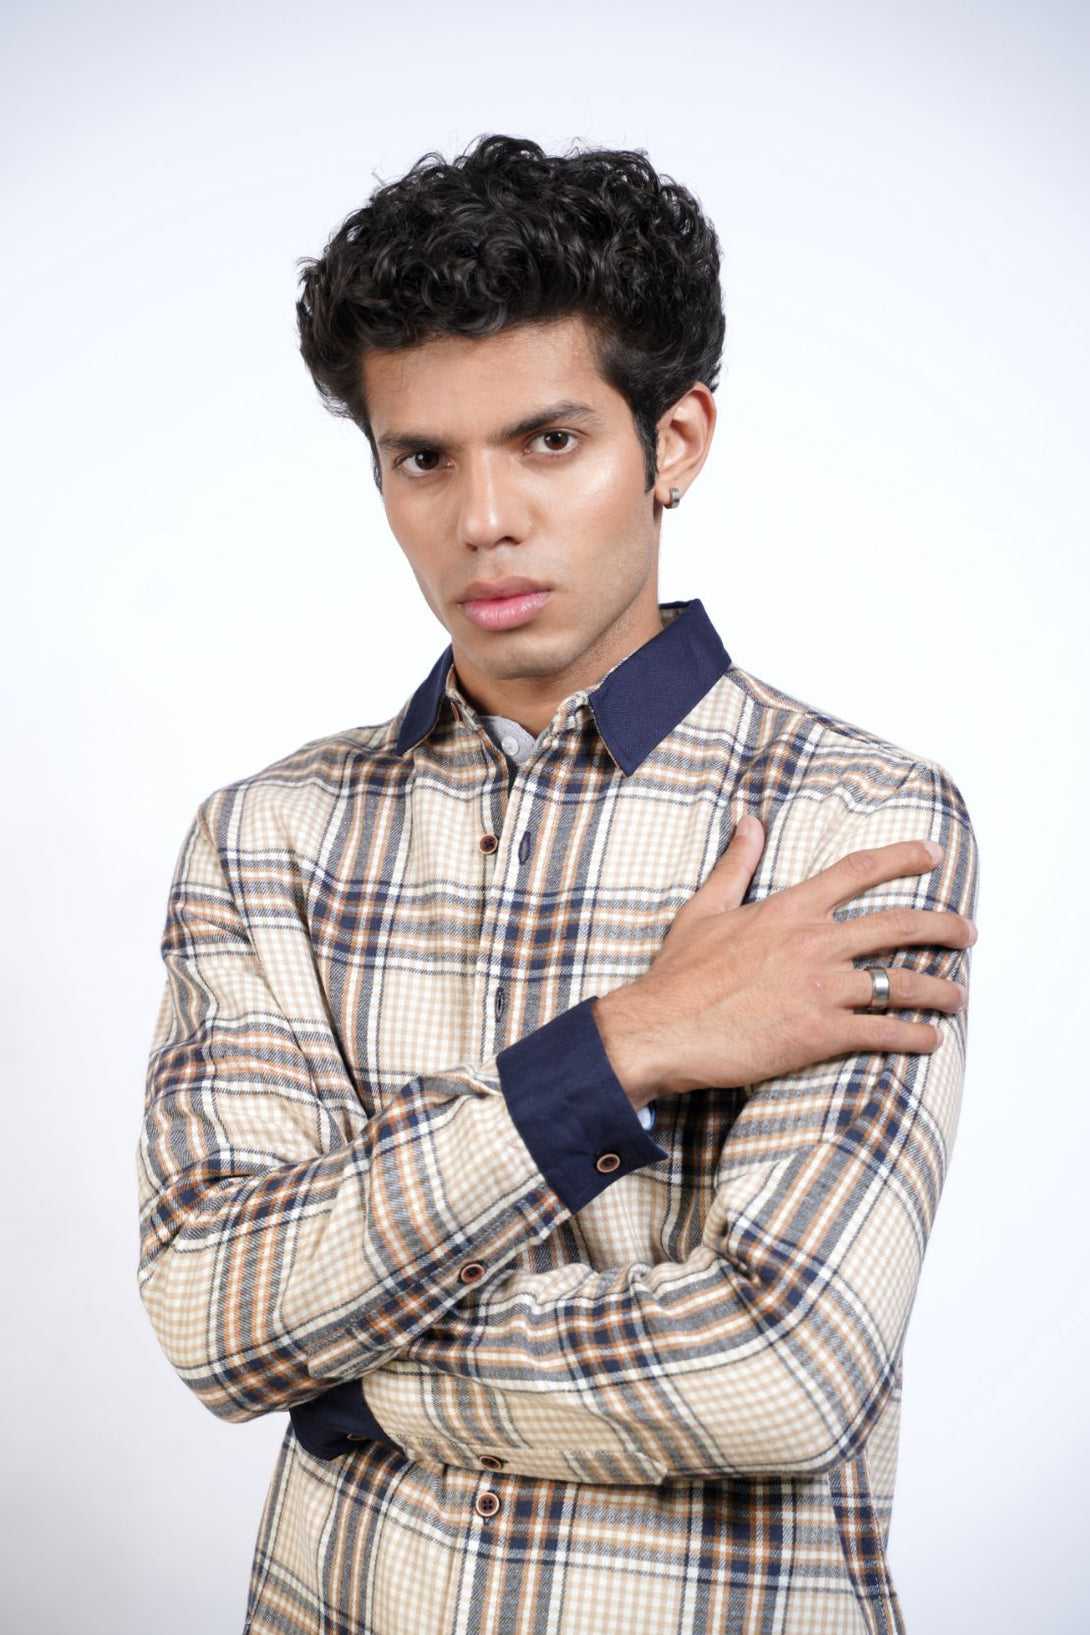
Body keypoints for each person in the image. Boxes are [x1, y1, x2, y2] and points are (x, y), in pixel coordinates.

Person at [137, 134, 979, 1635]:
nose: (482, 520)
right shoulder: (267, 837)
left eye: (547, 440)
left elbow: (779, 1372)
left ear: (674, 442)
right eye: (423, 458)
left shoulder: (852, 821)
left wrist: (346, 1376)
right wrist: (629, 1044)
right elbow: (212, 1312)